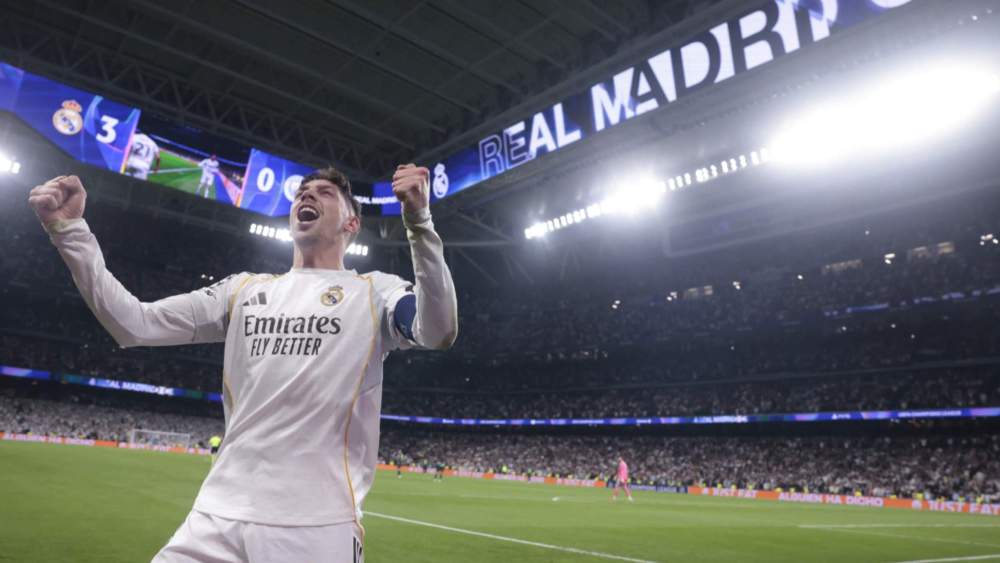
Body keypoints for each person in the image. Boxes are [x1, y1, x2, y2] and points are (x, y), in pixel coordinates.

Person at [28, 164, 457, 563]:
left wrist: (419, 222)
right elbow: (134, 324)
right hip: (215, 517)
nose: (308, 195)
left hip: (316, 526)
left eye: (325, 193)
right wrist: (69, 230)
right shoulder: (242, 291)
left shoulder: (373, 291)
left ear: (351, 224)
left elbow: (437, 329)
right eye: (303, 192)